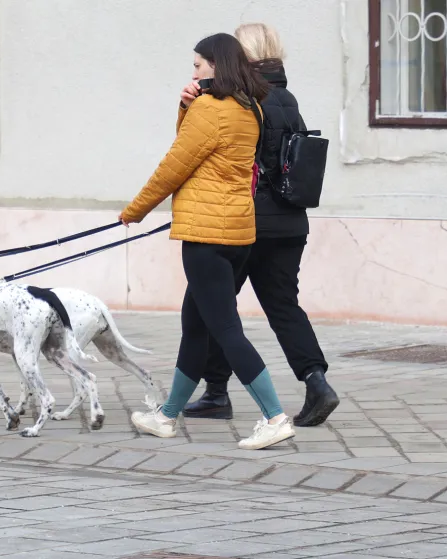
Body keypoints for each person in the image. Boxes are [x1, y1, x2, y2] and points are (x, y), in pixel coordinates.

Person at [119, 33, 295, 450]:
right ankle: (165, 416)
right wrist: (186, 106)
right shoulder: (248, 107)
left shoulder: (210, 109)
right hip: (237, 233)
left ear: (215, 65)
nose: (193, 72)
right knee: (195, 327)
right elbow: (200, 150)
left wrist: (134, 210)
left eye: (198, 65)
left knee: (224, 329)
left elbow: (175, 164)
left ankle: (274, 417)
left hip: (205, 235)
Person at [183, 23, 339, 427]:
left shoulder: (240, 100)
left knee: (215, 308)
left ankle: (217, 392)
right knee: (283, 306)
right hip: (290, 223)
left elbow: (218, 159)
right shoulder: (288, 98)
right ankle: (316, 382)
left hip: (245, 223)